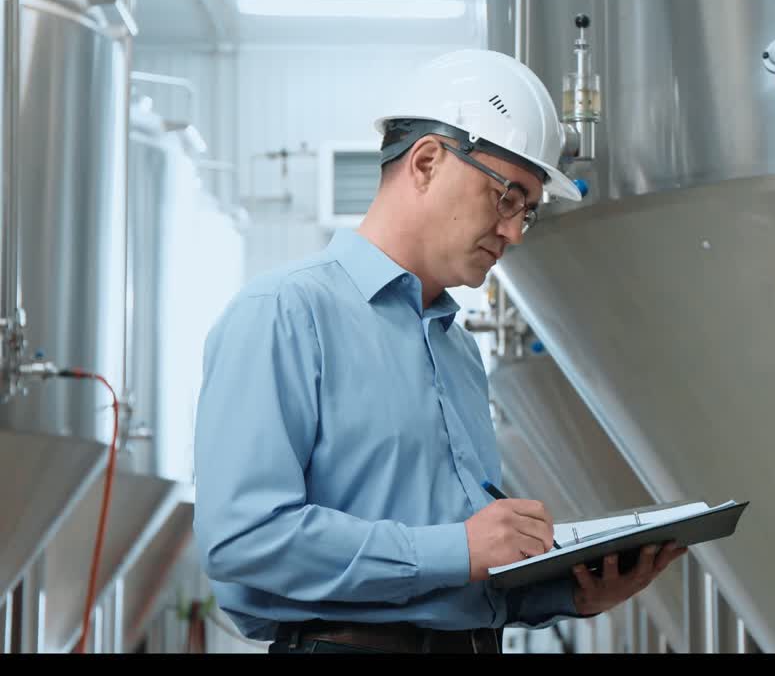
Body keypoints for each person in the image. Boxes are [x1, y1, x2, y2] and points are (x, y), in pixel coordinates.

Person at [193, 49, 687, 654]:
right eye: (505, 197)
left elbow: (460, 574)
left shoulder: (456, 348)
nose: (513, 231)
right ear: (426, 162)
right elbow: (243, 539)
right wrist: (460, 548)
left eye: (527, 212)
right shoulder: (284, 313)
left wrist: (569, 594)